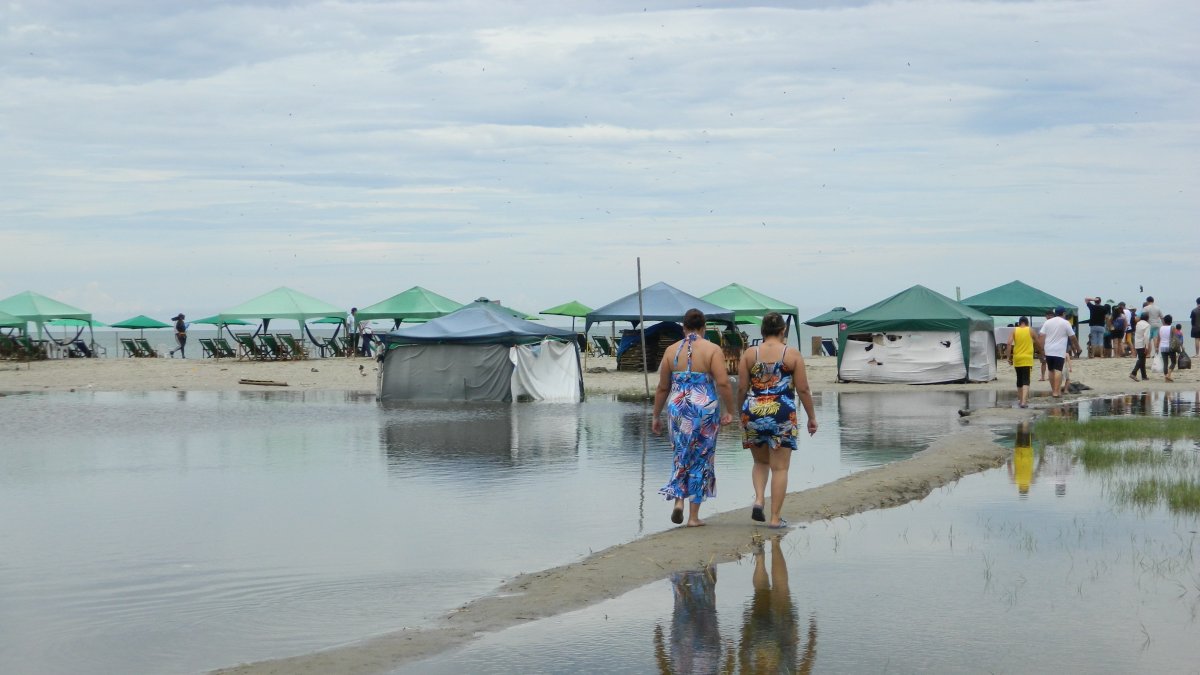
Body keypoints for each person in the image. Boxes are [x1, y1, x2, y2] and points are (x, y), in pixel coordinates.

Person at [652, 309, 736, 527]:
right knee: (702, 457)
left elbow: (662, 387)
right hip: (704, 408)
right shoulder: (712, 349)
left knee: (681, 454)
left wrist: (655, 416)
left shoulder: (671, 351)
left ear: (684, 327)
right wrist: (730, 410)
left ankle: (678, 501)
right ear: (703, 327)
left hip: (678, 407)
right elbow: (723, 382)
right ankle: (693, 517)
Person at [737, 312, 817, 529]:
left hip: (753, 410)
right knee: (780, 468)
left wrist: (740, 412)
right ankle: (774, 518)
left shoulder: (749, 354)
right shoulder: (792, 354)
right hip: (781, 412)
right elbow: (803, 389)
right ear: (783, 331)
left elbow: (742, 388)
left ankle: (759, 499)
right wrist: (811, 417)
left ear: (762, 331)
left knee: (760, 462)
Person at [1037, 307, 1072, 398]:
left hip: (1048, 350)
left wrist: (1041, 350)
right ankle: (1056, 392)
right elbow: (1072, 336)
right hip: (1059, 351)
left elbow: (1041, 336)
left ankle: (1054, 391)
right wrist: (1077, 347)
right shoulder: (1065, 322)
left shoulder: (1047, 323)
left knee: (1051, 370)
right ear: (1063, 313)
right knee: (1058, 370)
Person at [1007, 316, 1035, 408]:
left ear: (1019, 323)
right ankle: (1024, 402)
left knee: (1019, 379)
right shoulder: (1030, 330)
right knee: (1026, 379)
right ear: (1027, 323)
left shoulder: (1014, 330)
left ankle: (1020, 400)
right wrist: (1041, 352)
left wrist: (1008, 357)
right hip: (1027, 358)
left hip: (1017, 358)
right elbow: (1037, 341)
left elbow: (1009, 343)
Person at [1129, 312, 1150, 381]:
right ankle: (1133, 373)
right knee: (1141, 359)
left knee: (1142, 360)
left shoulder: (1138, 323)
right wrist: (1147, 346)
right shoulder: (1147, 325)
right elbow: (1146, 336)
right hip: (1142, 344)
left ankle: (1144, 376)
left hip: (1137, 343)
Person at [1158, 314, 1176, 382]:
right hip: (1170, 347)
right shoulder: (1172, 328)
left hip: (1163, 347)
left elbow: (1158, 338)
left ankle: (1166, 377)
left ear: (1164, 321)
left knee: (1165, 363)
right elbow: (1175, 338)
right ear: (1171, 321)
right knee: (1173, 362)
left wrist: (1156, 347)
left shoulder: (1160, 328)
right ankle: (1168, 375)